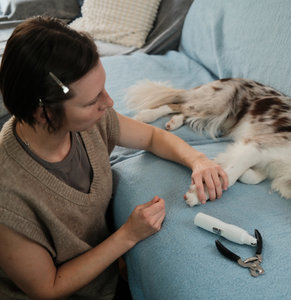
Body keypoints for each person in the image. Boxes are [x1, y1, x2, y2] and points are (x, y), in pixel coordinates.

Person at [0, 16, 228, 299]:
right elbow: (48, 287)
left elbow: (152, 137)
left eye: (104, 89)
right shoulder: (7, 196)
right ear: (43, 113)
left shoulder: (93, 123)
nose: (108, 102)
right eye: (92, 100)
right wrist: (128, 235)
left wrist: (199, 160)